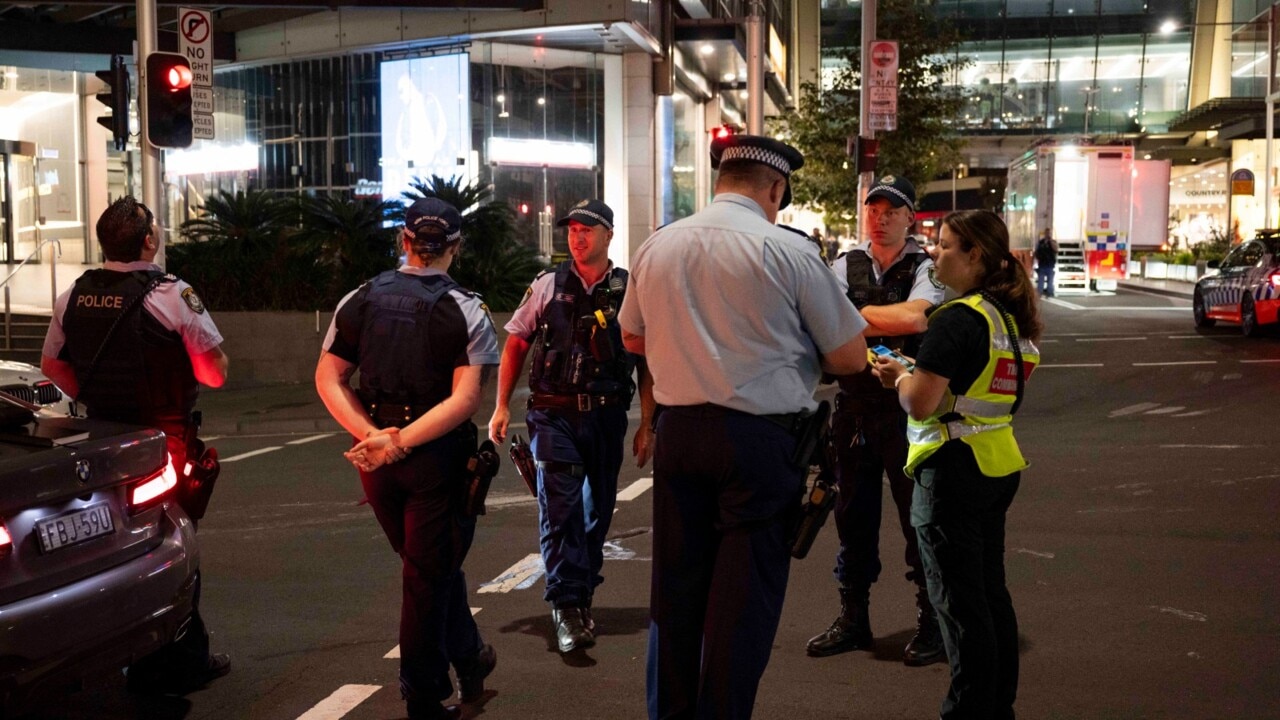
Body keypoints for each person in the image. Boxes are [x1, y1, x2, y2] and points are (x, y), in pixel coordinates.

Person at [618, 134, 868, 720]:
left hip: (680, 435)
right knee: (742, 603)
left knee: (675, 596)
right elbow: (851, 357)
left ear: (719, 182)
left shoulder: (658, 246)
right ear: (775, 188)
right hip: (759, 443)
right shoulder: (789, 252)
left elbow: (632, 336)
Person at [315, 198, 499, 720]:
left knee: (429, 569)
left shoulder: (361, 298)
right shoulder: (465, 308)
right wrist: (398, 441)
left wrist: (375, 437)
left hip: (376, 462)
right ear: (455, 248)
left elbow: (328, 378)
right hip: (434, 459)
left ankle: (470, 656)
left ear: (404, 242)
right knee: (425, 575)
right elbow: (465, 401)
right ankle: (423, 696)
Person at [39, 195, 231, 694]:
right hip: (162, 442)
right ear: (149, 240)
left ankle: (122, 653)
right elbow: (214, 374)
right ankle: (179, 660)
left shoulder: (74, 294)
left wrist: (96, 394)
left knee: (112, 551)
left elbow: (52, 368)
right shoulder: (171, 294)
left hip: (102, 441)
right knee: (171, 542)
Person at [871, 209, 1042, 720]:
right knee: (989, 598)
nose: (934, 252)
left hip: (951, 473)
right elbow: (973, 391)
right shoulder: (1008, 319)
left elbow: (921, 403)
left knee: (960, 610)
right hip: (995, 464)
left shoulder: (956, 318)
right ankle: (996, 708)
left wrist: (897, 377)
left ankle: (967, 712)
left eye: (945, 245)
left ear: (976, 256)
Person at [487, 199, 653, 654]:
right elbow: (517, 341)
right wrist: (501, 406)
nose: (577, 238)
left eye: (587, 229)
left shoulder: (629, 290)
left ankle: (580, 593)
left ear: (609, 235)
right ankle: (567, 604)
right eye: (572, 230)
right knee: (560, 509)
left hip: (605, 416)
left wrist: (648, 425)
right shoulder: (547, 286)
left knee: (596, 513)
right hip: (552, 413)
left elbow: (645, 361)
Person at [806, 174, 947, 667]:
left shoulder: (926, 266)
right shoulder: (845, 263)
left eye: (892, 210)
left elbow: (918, 320)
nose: (881, 217)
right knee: (853, 520)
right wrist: (879, 316)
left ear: (910, 217)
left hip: (909, 410)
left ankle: (932, 622)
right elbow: (823, 321)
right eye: (874, 208)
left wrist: (854, 315)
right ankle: (853, 620)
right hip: (855, 411)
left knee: (919, 522)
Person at [1034, 227, 1057, 297]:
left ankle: (1049, 292)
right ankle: (1039, 293)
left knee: (1050, 281)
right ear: (1045, 234)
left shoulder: (1053, 242)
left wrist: (1050, 242)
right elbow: (1036, 252)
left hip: (1050, 264)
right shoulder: (1041, 242)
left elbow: (1056, 250)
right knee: (1041, 281)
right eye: (1047, 233)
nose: (1048, 234)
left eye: (1049, 233)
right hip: (1042, 264)